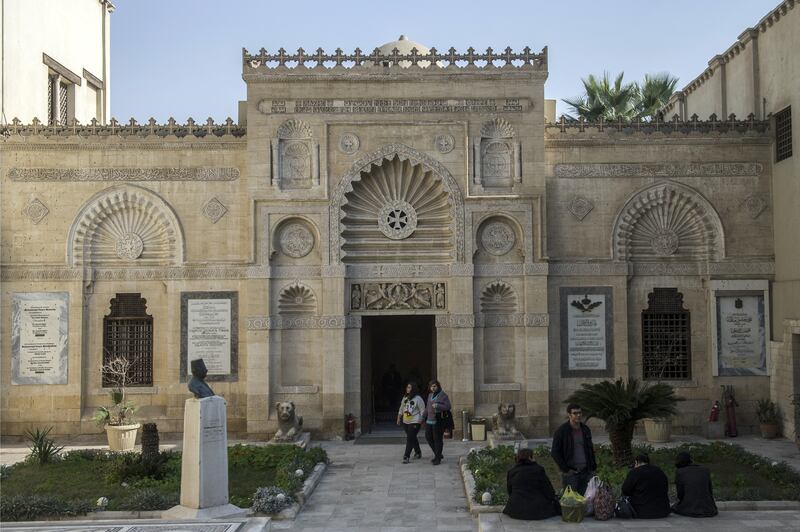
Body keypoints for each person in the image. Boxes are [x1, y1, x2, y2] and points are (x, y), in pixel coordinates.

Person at [550, 403, 597, 495]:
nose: (578, 415)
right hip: (571, 473)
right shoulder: (562, 431)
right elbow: (555, 452)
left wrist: (593, 466)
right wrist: (565, 469)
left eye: (580, 413)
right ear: (569, 415)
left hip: (586, 471)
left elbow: (590, 449)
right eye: (575, 413)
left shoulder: (585, 429)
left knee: (586, 500)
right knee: (571, 501)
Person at [503, 448, 561, 520]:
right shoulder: (538, 470)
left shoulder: (512, 471)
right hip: (537, 510)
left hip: (515, 510)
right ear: (530, 458)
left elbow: (510, 491)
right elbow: (549, 491)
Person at [620, 453, 671, 519]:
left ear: (636, 462)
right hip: (663, 511)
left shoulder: (634, 472)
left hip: (641, 512)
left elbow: (625, 490)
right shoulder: (659, 471)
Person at [672, 452, 718, 517]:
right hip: (709, 509)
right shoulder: (705, 470)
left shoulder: (680, 472)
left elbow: (680, 494)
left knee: (675, 507)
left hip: (691, 509)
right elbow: (709, 490)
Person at [421, 379, 451, 465]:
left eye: (434, 386)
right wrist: (423, 417)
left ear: (438, 386)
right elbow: (427, 408)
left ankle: (437, 458)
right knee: (428, 437)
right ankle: (438, 454)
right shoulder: (430, 395)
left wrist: (438, 405)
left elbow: (448, 406)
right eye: (431, 386)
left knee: (438, 440)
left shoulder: (443, 395)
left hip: (438, 421)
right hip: (429, 421)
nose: (433, 388)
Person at [396, 382, 425, 464]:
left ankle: (406, 456)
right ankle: (418, 452)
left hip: (415, 421)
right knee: (412, 437)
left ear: (414, 389)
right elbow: (401, 408)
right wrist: (398, 418)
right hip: (406, 421)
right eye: (407, 387)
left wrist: (422, 420)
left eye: (410, 387)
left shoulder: (418, 398)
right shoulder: (405, 397)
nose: (408, 389)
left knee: (409, 438)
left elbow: (423, 410)